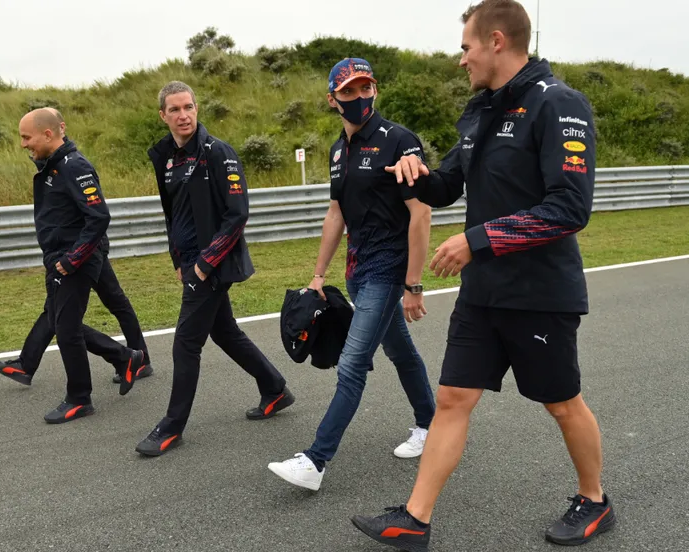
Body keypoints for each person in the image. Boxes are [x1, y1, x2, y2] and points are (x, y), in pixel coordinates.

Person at [351, 1, 614, 550]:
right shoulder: (480, 111)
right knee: (451, 398)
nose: (461, 59)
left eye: (466, 47)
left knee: (562, 402)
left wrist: (477, 240)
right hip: (483, 292)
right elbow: (447, 185)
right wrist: (413, 175)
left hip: (540, 292)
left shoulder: (559, 103)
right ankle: (415, 519)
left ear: (496, 41)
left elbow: (569, 209)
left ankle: (595, 500)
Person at [267, 58, 436, 491]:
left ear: (374, 90)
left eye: (366, 88)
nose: (359, 97)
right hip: (357, 272)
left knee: (352, 363)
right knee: (400, 351)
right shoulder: (337, 151)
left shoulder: (400, 141)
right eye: (349, 91)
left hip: (388, 269)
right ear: (333, 99)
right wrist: (318, 276)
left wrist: (413, 284)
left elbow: (421, 214)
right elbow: (336, 214)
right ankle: (430, 425)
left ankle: (315, 460)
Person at [137, 81, 293, 456]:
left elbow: (237, 214)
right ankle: (275, 388)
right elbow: (173, 215)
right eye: (174, 109)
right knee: (224, 332)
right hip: (190, 262)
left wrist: (204, 265)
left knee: (185, 344)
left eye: (188, 107)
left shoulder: (217, 152)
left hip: (210, 264)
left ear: (196, 108)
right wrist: (179, 260)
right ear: (162, 116)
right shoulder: (166, 158)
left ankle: (171, 426)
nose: (183, 115)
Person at [0, 109, 153, 388]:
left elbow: (98, 216)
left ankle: (130, 359)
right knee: (62, 313)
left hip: (82, 253)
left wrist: (73, 258)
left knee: (73, 317)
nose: (22, 144)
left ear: (48, 134)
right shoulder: (53, 164)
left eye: (26, 137)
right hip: (75, 252)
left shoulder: (74, 166)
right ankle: (27, 364)